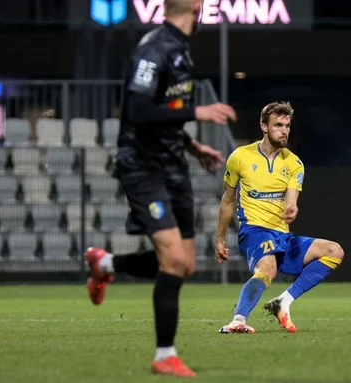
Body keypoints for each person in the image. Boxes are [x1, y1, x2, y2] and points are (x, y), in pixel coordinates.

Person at [83, 0, 237, 378]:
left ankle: (105, 264)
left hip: (172, 163)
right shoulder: (155, 48)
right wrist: (196, 113)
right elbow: (136, 110)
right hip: (143, 165)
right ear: (194, 5)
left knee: (184, 267)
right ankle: (164, 355)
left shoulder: (180, 47)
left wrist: (191, 144)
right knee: (171, 260)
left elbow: (162, 111)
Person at [214, 102, 344, 334]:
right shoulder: (240, 157)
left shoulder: (294, 163)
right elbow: (228, 200)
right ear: (264, 127)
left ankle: (283, 302)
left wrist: (291, 207)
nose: (284, 130)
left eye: (287, 125)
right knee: (268, 268)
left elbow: (292, 197)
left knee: (334, 251)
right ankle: (238, 320)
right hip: (254, 231)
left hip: (282, 236)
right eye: (278, 125)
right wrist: (220, 238)